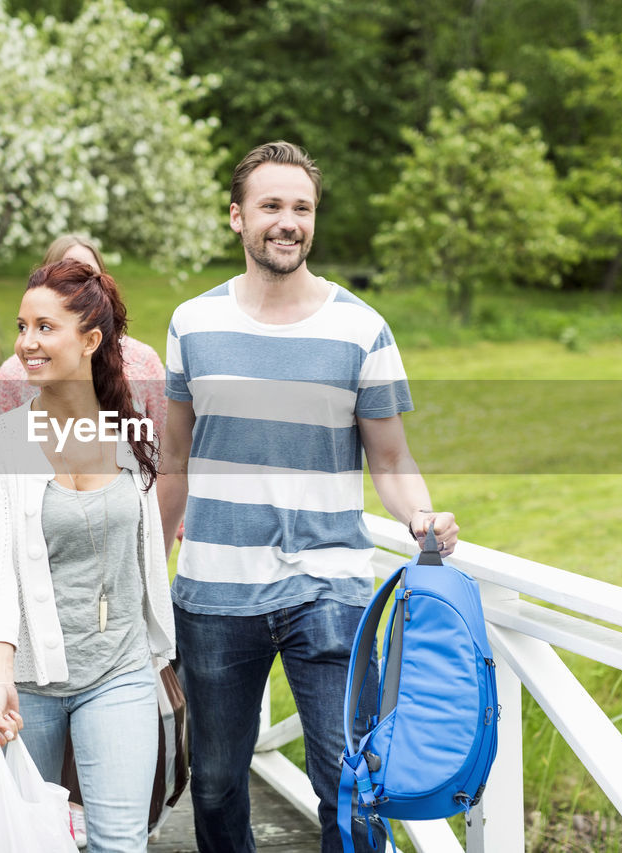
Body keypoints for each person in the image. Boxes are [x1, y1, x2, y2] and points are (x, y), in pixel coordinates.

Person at [157, 141, 460, 853]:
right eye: (271, 206)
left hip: (330, 588)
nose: (287, 221)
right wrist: (148, 567)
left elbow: (390, 458)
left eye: (302, 208)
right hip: (214, 593)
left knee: (351, 784)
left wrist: (419, 513)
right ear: (237, 217)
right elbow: (174, 462)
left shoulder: (361, 328)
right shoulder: (192, 324)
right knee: (218, 782)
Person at [0, 259, 176, 853]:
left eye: (45, 327)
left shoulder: (132, 438)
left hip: (120, 669)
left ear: (90, 340)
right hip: (23, 680)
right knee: (26, 843)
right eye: (22, 326)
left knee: (121, 842)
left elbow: (142, 557)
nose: (27, 343)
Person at [0, 234, 166, 440]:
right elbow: (5, 451)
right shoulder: (13, 373)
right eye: (67, 274)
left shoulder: (143, 360)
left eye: (89, 275)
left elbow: (166, 447)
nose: (80, 284)